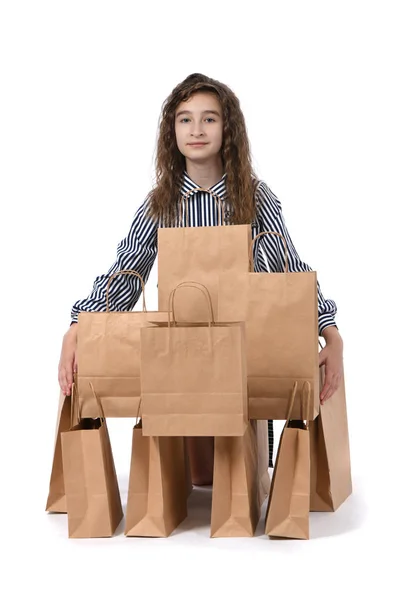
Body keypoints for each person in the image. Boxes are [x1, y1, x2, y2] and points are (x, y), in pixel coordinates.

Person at [58, 73, 344, 485]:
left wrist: (330, 333)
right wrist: (77, 326)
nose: (196, 129)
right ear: (171, 130)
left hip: (245, 356)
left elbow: (290, 271)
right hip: (182, 356)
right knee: (199, 482)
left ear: (227, 128)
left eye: (209, 119)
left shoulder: (255, 198)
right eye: (184, 119)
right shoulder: (161, 205)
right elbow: (126, 273)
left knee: (235, 479)